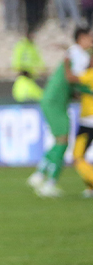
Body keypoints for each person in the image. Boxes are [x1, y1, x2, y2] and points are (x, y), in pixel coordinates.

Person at [27, 27, 93, 198]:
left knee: (60, 142)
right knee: (63, 142)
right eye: (88, 38)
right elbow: (73, 79)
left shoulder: (75, 54)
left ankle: (40, 174)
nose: (91, 41)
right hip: (56, 102)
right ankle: (48, 182)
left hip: (55, 100)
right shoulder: (79, 56)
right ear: (81, 38)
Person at [74, 67, 93, 198]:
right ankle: (90, 188)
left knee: (78, 156)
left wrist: (66, 63)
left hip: (88, 121)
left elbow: (71, 79)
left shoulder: (89, 74)